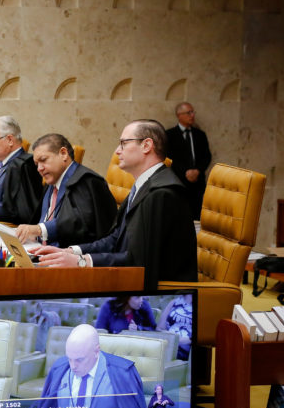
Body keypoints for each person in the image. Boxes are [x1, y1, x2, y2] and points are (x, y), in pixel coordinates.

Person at [31, 119, 197, 291]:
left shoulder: (161, 193)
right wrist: (71, 252)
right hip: (128, 279)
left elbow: (138, 262)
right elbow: (115, 239)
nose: (117, 151)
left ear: (147, 146)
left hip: (164, 296)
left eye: (124, 143)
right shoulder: (143, 186)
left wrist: (82, 262)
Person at [16, 134, 116, 246]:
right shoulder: (51, 184)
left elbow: (79, 223)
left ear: (63, 154)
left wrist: (40, 229)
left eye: (43, 160)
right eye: (36, 164)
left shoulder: (86, 181)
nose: (39, 168)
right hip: (39, 252)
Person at [39, 324, 148, 408]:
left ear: (96, 351)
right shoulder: (60, 368)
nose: (72, 366)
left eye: (79, 360)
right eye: (69, 358)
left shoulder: (122, 372)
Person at [166, 103, 211, 220]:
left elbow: (207, 157)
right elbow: (168, 158)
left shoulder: (200, 134)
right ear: (179, 115)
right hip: (178, 183)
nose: (192, 115)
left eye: (193, 112)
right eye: (189, 113)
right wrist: (185, 172)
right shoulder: (169, 135)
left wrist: (197, 171)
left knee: (198, 219)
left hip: (198, 184)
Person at [157, 293, 192, 360]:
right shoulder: (174, 302)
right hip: (169, 341)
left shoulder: (201, 304)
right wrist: (169, 336)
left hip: (186, 345)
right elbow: (159, 328)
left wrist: (187, 340)